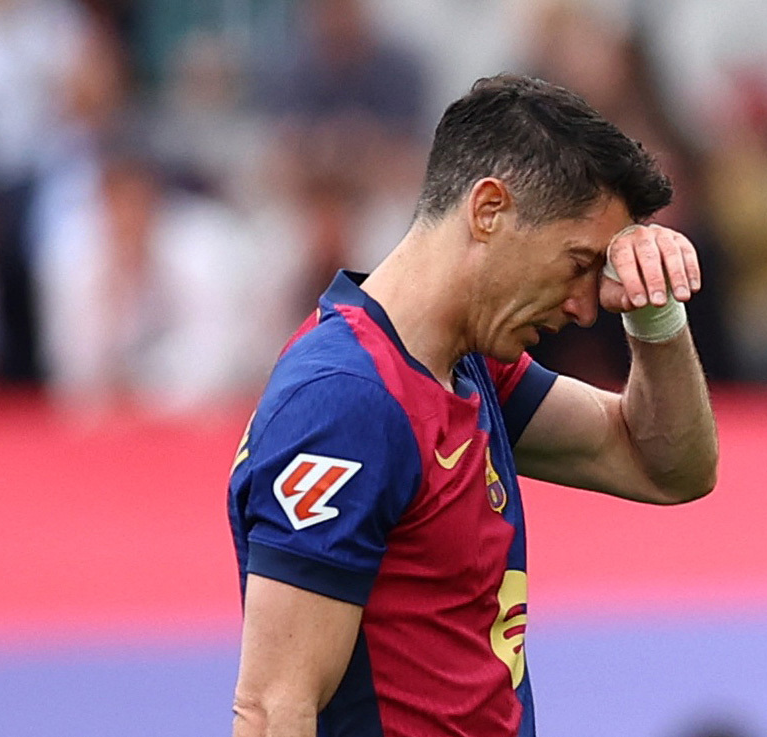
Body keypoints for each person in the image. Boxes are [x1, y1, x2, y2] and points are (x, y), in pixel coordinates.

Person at [227, 74, 719, 737]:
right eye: (577, 262)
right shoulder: (345, 401)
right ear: (488, 209)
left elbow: (664, 465)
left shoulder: (467, 365)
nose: (582, 306)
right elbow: (271, 708)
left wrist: (654, 310)